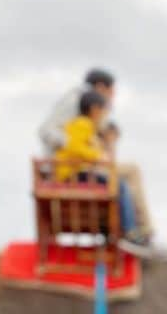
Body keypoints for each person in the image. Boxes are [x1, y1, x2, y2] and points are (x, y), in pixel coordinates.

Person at [39, 68, 156, 240]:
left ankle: (138, 228)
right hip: (71, 168)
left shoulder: (87, 113)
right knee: (130, 173)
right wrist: (79, 150)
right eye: (111, 92)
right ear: (101, 87)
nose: (111, 98)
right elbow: (47, 131)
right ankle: (140, 229)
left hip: (81, 164)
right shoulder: (76, 103)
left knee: (126, 175)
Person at [54, 91, 151, 251]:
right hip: (74, 174)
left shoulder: (89, 129)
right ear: (94, 109)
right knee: (120, 186)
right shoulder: (82, 123)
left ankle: (125, 229)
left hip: (80, 172)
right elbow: (73, 146)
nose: (105, 115)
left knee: (116, 182)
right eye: (104, 110)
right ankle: (130, 231)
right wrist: (97, 156)